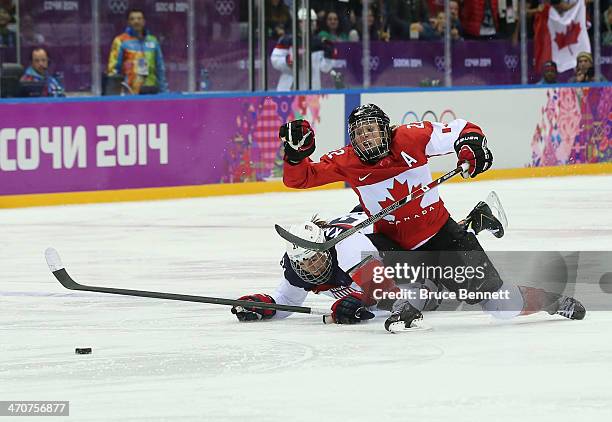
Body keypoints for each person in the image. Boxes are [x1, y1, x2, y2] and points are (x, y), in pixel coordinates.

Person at [278, 104, 585, 328]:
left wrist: (471, 147)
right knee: (352, 242)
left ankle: (550, 300)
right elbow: (299, 179)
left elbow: (463, 130)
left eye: (371, 129)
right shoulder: (347, 160)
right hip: (392, 246)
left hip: (442, 237)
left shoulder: (412, 137)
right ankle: (403, 302)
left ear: (385, 129)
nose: (366, 137)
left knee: (499, 305)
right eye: (359, 133)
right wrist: (295, 154)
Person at [231, 198, 507, 324]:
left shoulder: (352, 253)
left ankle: (473, 222)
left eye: (315, 259)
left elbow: (404, 299)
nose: (311, 268)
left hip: (388, 247)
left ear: (325, 249)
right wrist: (263, 306)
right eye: (305, 264)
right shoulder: (299, 260)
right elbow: (288, 301)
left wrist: (363, 304)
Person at [270, 8, 343, 90]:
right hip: (289, 88)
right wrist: (289, 61)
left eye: (313, 21)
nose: (311, 24)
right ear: (298, 23)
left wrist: (329, 55)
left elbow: (325, 68)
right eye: (306, 21)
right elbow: (274, 59)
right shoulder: (287, 40)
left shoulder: (319, 42)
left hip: (312, 90)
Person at [107, 8, 168, 94]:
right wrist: (114, 95)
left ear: (144, 21)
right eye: (132, 19)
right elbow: (113, 70)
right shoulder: (120, 41)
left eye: (139, 19)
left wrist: (164, 93)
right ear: (128, 22)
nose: (136, 22)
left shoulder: (153, 41)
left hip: (151, 90)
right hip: (130, 92)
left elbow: (160, 68)